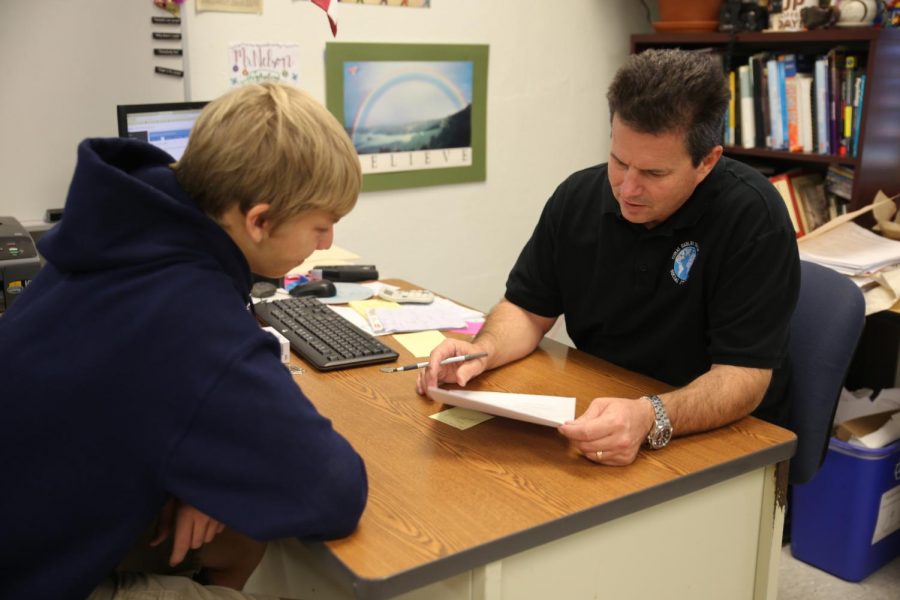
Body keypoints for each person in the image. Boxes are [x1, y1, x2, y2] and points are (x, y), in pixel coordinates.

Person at [0, 82, 367, 599]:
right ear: (258, 221)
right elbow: (334, 492)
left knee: (241, 543)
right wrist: (215, 464)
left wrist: (202, 471)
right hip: (30, 578)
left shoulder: (119, 240)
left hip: (29, 525)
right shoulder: (192, 318)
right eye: (321, 226)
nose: (327, 243)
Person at [417, 49, 800, 467]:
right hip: (604, 409)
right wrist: (482, 353)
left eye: (655, 174)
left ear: (706, 162)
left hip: (718, 435)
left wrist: (649, 416)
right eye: (619, 161)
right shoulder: (577, 197)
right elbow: (527, 310)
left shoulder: (753, 218)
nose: (627, 189)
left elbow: (744, 376)